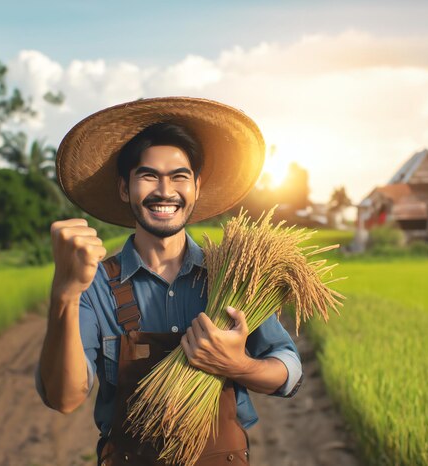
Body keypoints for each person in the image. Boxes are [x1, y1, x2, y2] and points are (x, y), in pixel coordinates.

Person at [35, 97, 303, 466]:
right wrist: (64, 294)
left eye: (179, 176)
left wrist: (238, 364)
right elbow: (64, 399)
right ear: (124, 189)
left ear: (196, 186)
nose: (165, 190)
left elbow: (288, 368)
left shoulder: (234, 275)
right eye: (148, 176)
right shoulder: (94, 285)